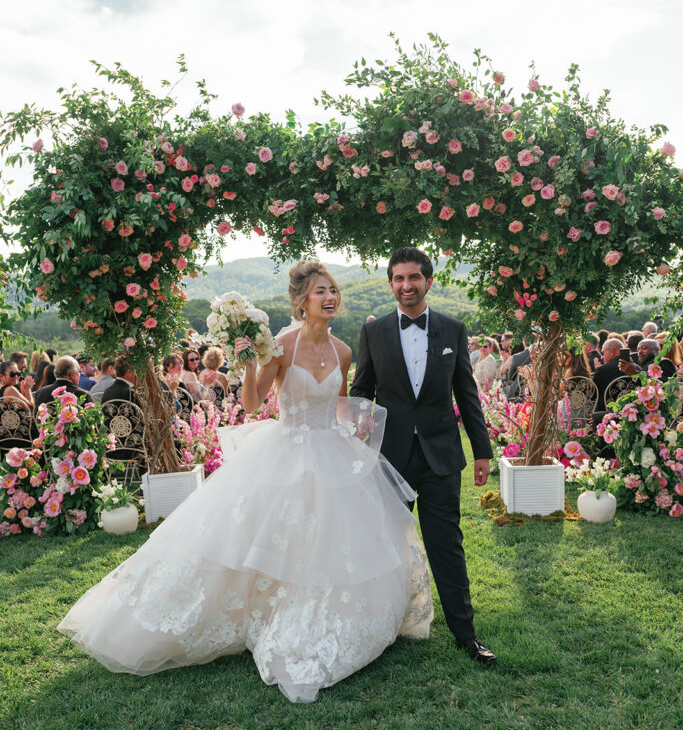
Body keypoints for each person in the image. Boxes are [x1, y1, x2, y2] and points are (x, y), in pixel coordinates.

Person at [58, 260, 432, 703]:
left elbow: (338, 403)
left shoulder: (343, 351)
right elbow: (254, 404)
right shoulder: (281, 347)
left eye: (333, 290)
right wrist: (251, 364)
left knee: (331, 541)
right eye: (320, 292)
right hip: (286, 451)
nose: (330, 297)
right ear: (301, 301)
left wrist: (359, 433)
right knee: (269, 537)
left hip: (332, 450)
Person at [350, 246, 496, 665]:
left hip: (441, 457)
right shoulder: (373, 333)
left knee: (446, 544)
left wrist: (482, 451)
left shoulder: (453, 329)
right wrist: (356, 419)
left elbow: (467, 395)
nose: (406, 285)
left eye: (413, 277)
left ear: (428, 281)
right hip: (390, 457)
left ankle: (466, 635)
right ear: (391, 283)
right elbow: (363, 387)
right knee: (383, 544)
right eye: (398, 278)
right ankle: (379, 627)